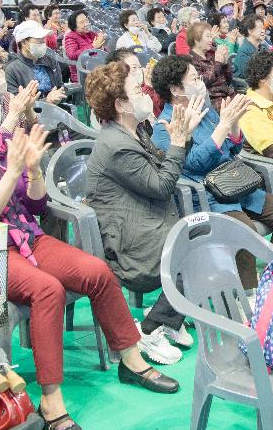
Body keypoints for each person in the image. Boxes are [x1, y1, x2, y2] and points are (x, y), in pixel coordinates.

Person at [0, 72, 177, 430]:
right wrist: (14, 170)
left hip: (27, 237)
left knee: (96, 271)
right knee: (47, 290)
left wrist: (33, 171)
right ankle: (51, 403)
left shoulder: (6, 141)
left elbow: (34, 205)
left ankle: (131, 361)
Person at [85, 60, 201, 365]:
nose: (146, 93)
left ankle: (169, 319)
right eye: (137, 90)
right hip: (128, 238)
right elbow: (162, 184)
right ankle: (150, 329)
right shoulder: (117, 145)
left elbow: (162, 170)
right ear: (121, 104)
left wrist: (182, 138)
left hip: (146, 217)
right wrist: (178, 143)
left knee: (202, 233)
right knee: (194, 248)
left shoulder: (134, 131)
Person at [149, 56, 273, 288]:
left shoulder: (204, 111)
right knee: (244, 232)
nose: (200, 84)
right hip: (207, 196)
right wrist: (223, 128)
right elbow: (193, 163)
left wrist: (234, 126)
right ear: (176, 89)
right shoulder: (164, 127)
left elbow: (232, 149)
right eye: (195, 79)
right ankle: (246, 298)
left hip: (236, 185)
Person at [5, 21, 67, 102]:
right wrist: (46, 101)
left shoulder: (50, 60)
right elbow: (16, 102)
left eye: (43, 38)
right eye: (38, 39)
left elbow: (60, 86)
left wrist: (59, 94)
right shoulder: (12, 69)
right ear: (23, 42)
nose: (43, 42)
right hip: (30, 112)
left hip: (56, 108)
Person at [185, 21, 235, 107]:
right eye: (208, 36)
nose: (211, 40)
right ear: (196, 39)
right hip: (213, 101)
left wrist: (226, 63)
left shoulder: (211, 55)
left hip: (228, 94)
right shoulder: (190, 60)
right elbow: (202, 82)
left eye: (211, 37)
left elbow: (229, 79)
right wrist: (218, 63)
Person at [232, 15, 267, 82]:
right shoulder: (243, 53)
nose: (263, 31)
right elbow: (253, 78)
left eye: (263, 28)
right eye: (260, 28)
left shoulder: (263, 48)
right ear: (249, 31)